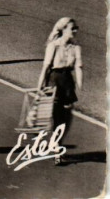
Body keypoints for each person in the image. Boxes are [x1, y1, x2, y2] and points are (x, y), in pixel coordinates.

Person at [36, 17, 83, 165]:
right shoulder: (54, 45)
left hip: (67, 83)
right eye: (72, 28)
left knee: (66, 116)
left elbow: (78, 67)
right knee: (56, 116)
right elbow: (46, 67)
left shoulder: (76, 47)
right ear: (63, 29)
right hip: (54, 81)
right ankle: (57, 149)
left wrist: (80, 84)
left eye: (76, 28)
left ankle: (57, 144)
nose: (75, 31)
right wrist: (39, 87)